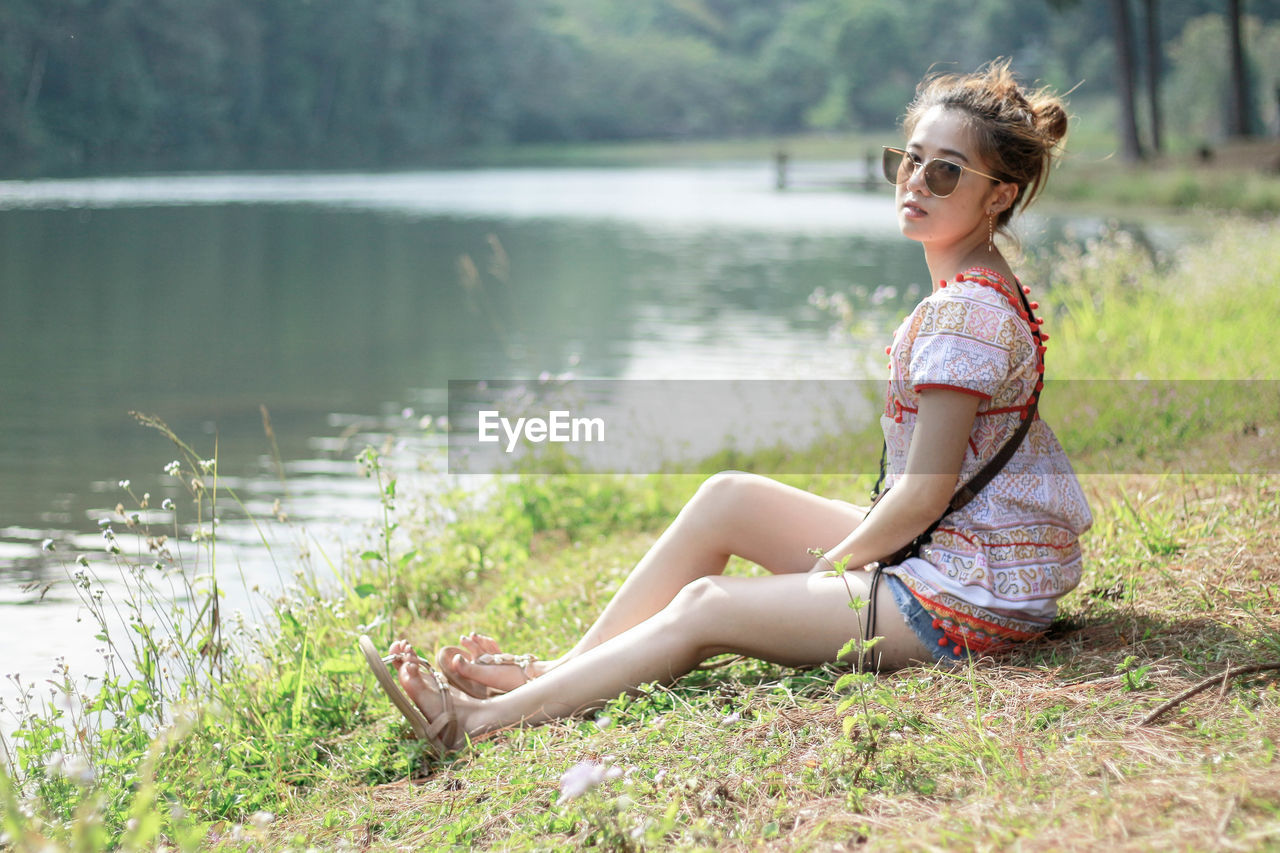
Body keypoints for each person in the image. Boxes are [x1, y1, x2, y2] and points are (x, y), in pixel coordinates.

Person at [361, 59, 1093, 756]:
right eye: (907, 159)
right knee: (727, 498)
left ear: (998, 195)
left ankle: (478, 723)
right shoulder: (979, 288)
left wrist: (825, 574)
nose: (915, 180)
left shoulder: (965, 311)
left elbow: (922, 494)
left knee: (708, 604)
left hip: (964, 600)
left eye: (944, 171)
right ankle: (557, 674)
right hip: (967, 559)